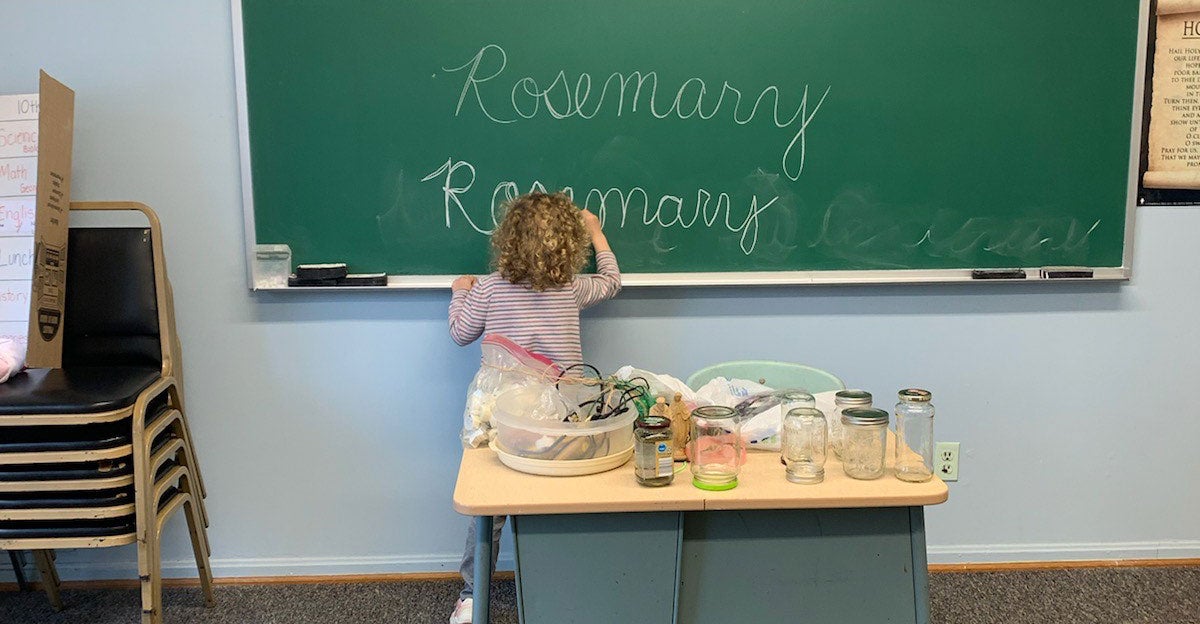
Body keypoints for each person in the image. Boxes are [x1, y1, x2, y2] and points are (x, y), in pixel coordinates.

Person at [446, 191, 621, 624]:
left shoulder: (489, 288)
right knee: (557, 499)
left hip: (501, 418)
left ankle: (471, 598)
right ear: (569, 243)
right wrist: (597, 233)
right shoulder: (570, 288)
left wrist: (459, 292)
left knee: (490, 508)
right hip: (560, 419)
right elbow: (612, 281)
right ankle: (560, 591)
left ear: (508, 239)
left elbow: (460, 332)